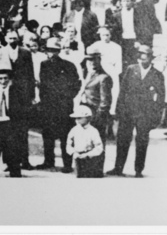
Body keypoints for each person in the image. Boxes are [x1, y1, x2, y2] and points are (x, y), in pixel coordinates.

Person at [108, 45, 165, 178]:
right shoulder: (131, 69)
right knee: (122, 139)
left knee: (142, 141)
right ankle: (118, 168)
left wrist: (156, 117)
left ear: (151, 59)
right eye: (140, 58)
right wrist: (118, 109)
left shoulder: (157, 74)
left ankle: (138, 169)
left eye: (145, 58)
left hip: (145, 114)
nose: (142, 60)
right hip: (127, 112)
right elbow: (123, 91)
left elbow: (161, 98)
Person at [0, 29, 36, 169]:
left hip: (22, 97)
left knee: (22, 130)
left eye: (14, 38)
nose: (12, 41)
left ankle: (25, 160)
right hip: (5, 95)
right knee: (7, 131)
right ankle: (9, 162)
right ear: (5, 38)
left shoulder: (26, 52)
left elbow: (30, 75)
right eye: (10, 38)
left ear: (18, 38)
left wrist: (32, 95)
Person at [38, 38, 80, 172]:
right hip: (48, 106)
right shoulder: (43, 65)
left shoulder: (69, 65)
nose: (52, 54)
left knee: (65, 136)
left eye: (55, 51)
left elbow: (76, 85)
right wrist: (44, 102)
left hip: (64, 106)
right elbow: (43, 86)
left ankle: (67, 164)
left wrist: (67, 98)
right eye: (50, 51)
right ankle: (48, 161)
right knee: (48, 135)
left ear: (59, 51)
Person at [109, 0, 161, 66]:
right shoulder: (116, 16)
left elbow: (144, 29)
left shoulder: (139, 15)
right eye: (123, 1)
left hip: (135, 41)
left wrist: (139, 41)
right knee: (122, 62)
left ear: (132, 2)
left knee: (134, 62)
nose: (126, 3)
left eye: (128, 1)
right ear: (120, 3)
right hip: (122, 41)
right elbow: (114, 31)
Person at [77, 48, 112, 156]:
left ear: (99, 60)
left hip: (97, 116)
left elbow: (105, 101)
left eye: (94, 60)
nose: (91, 63)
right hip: (86, 114)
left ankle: (97, 170)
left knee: (98, 144)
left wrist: (98, 117)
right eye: (89, 60)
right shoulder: (88, 74)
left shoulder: (104, 77)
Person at [66, 105, 104, 178]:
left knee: (89, 176)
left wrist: (88, 155)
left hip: (89, 158)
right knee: (79, 176)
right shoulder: (74, 130)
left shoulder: (93, 131)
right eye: (76, 118)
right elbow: (68, 144)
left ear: (88, 118)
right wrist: (73, 152)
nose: (77, 120)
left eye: (79, 118)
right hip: (77, 156)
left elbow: (99, 147)